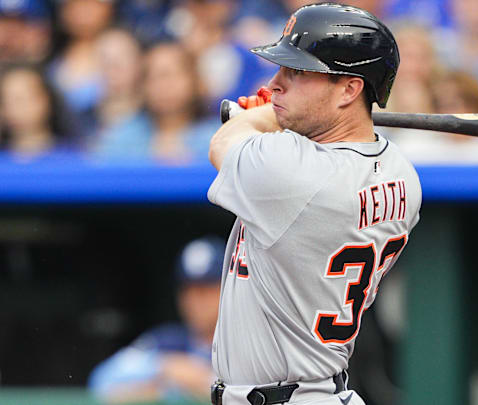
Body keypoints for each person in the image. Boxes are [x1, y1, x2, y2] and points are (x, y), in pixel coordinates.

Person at [206, 4, 422, 405]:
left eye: (297, 72)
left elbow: (222, 142)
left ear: (349, 90)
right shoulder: (401, 173)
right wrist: (280, 117)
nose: (274, 84)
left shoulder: (294, 175)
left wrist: (264, 116)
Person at [88, 236, 224, 404]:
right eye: (188, 290)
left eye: (206, 290)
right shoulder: (165, 340)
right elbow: (102, 380)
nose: (196, 301)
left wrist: (202, 379)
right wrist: (166, 367)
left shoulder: (241, 344)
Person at [93, 42, 216, 164]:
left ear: (195, 80)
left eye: (171, 74)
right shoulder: (121, 140)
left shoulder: (217, 139)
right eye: (154, 77)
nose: (164, 85)